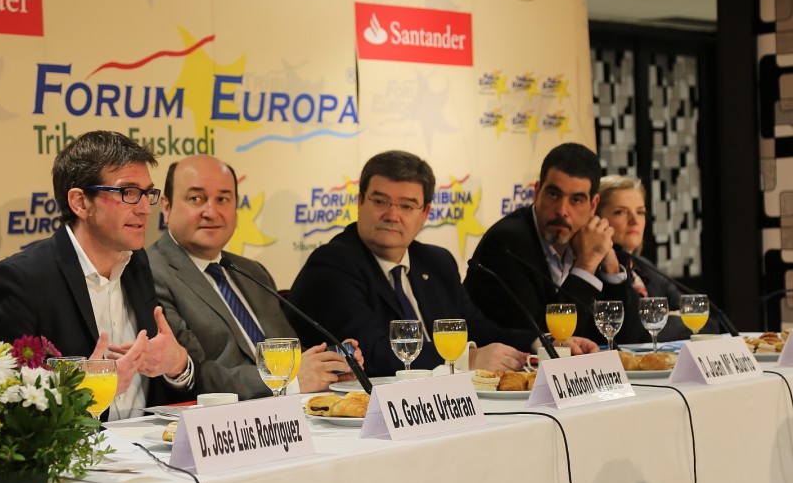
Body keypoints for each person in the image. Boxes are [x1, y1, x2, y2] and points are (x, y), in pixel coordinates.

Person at [289, 151, 589, 378]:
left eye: (407, 206)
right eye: (380, 202)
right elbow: (373, 353)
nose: (392, 215)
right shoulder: (333, 265)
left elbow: (477, 328)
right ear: (360, 202)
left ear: (425, 213)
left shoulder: (436, 262)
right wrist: (467, 360)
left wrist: (542, 342)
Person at [0, 131, 195, 420]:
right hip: (78, 447)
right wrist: (85, 395)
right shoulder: (20, 281)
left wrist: (178, 366)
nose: (143, 209)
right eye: (127, 193)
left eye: (147, 193)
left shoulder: (137, 264)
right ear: (80, 203)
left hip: (147, 441)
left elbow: (162, 394)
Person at [148, 155, 363, 399]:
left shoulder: (252, 271)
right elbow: (193, 374)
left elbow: (286, 353)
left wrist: (329, 367)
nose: (211, 211)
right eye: (196, 199)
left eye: (223, 199)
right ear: (166, 207)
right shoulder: (151, 273)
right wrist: (288, 380)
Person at [465, 142, 641, 345]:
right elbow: (547, 341)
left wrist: (610, 265)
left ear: (593, 205)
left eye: (576, 200)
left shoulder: (589, 240)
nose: (562, 210)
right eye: (554, 195)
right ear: (537, 192)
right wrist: (586, 265)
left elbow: (631, 341)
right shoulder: (505, 244)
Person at [597, 175, 704, 339]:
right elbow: (632, 336)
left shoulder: (645, 268)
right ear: (597, 219)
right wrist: (667, 318)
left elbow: (704, 320)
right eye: (620, 212)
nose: (634, 221)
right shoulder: (594, 274)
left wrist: (654, 325)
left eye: (640, 212)